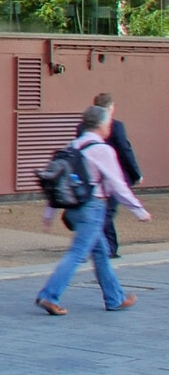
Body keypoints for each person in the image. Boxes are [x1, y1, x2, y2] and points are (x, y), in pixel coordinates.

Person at [36, 104, 152, 316]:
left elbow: (57, 182)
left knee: (100, 252)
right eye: (108, 123)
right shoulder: (103, 150)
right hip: (93, 207)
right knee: (77, 253)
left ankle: (115, 298)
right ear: (101, 125)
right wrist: (138, 210)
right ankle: (49, 295)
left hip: (74, 209)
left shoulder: (72, 146)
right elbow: (117, 184)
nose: (110, 127)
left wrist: (49, 214)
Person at [67, 92, 142, 258]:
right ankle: (104, 247)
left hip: (89, 178)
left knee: (101, 213)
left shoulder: (81, 127)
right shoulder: (117, 126)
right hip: (112, 176)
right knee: (106, 213)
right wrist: (136, 173)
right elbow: (125, 150)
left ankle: (105, 247)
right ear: (110, 107)